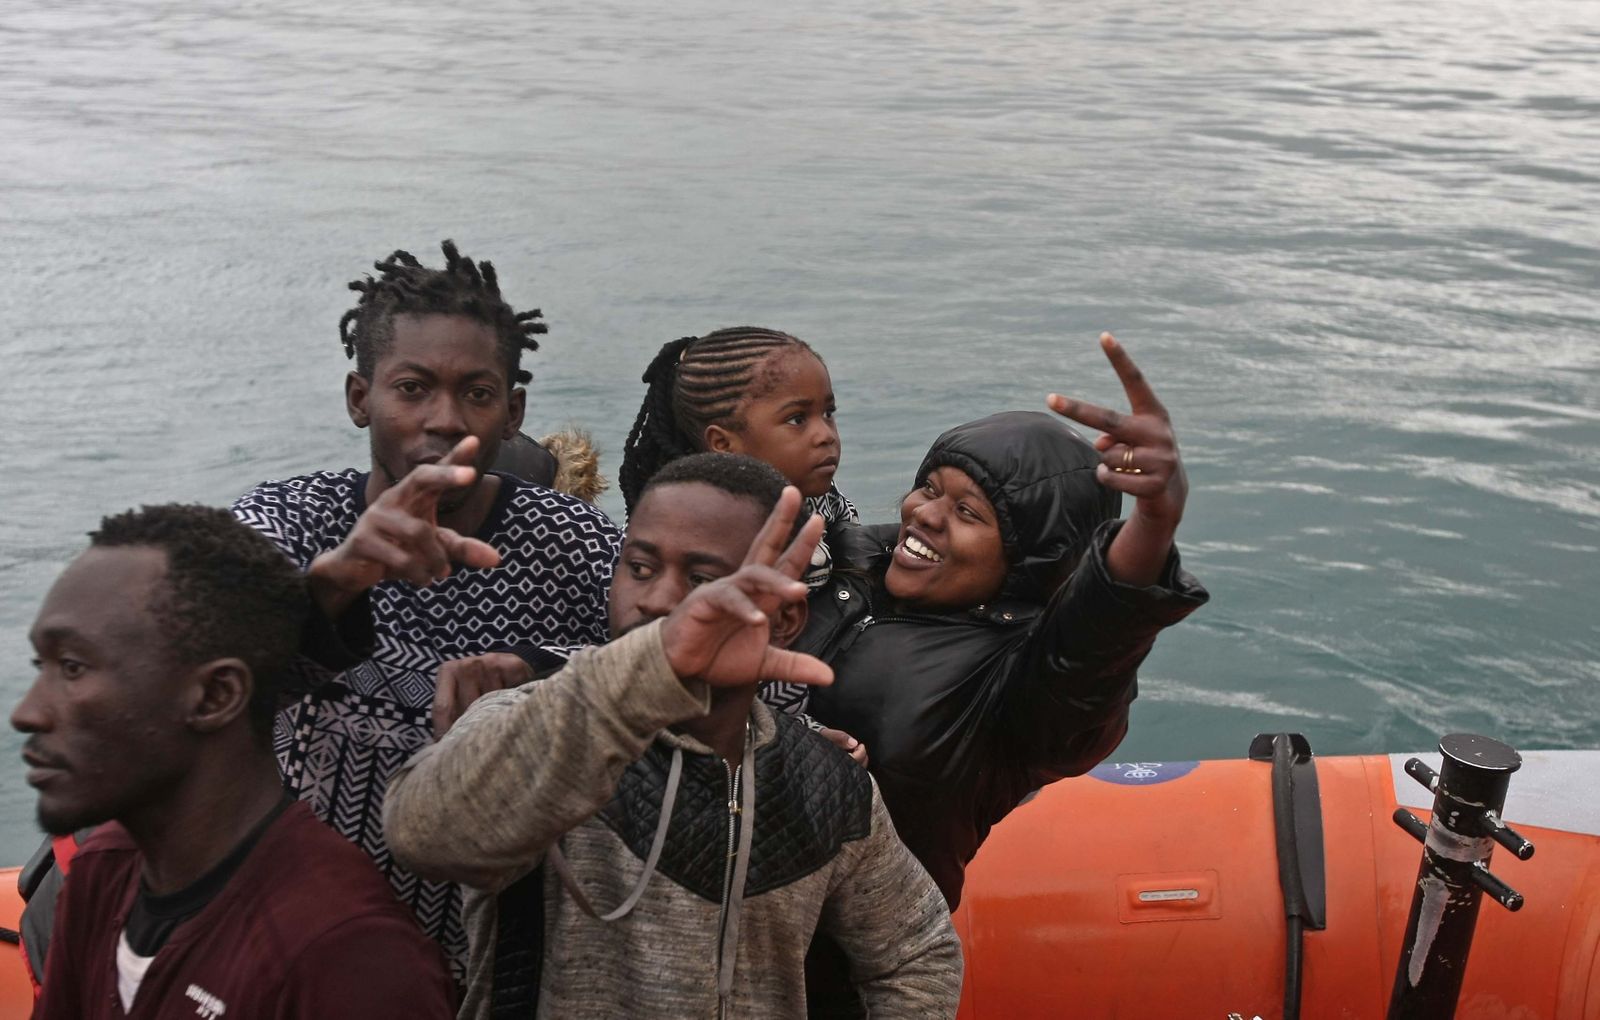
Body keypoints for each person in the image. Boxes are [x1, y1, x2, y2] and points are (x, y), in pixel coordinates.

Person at [384, 454, 963, 1020]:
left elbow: (918, 952)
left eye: (702, 579)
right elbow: (425, 834)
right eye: (639, 567)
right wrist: (646, 674)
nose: (658, 599)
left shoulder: (824, 780)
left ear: (784, 623)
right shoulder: (537, 721)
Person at [230, 240, 621, 968]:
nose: (445, 419)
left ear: (513, 412)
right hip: (301, 943)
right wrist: (336, 581)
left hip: (503, 956)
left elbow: (659, 653)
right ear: (359, 399)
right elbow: (207, 667)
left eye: (477, 393)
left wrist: (544, 673)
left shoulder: (573, 541)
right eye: (412, 388)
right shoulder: (287, 518)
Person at [801, 334, 1211, 908]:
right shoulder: (847, 555)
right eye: (929, 487)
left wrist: (1155, 519)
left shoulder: (1018, 684)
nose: (925, 515)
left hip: (845, 955)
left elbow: (1095, 643)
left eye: (967, 513)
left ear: (1027, 559)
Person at [14, 505, 454, 1019]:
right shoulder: (103, 870)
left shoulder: (346, 960)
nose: (28, 712)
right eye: (40, 665)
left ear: (214, 696)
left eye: (73, 667)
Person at [618, 327, 857, 723]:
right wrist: (801, 738)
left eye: (828, 413)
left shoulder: (823, 502)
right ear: (723, 443)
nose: (825, 436)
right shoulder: (681, 537)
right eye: (798, 419)